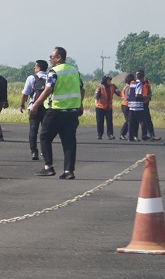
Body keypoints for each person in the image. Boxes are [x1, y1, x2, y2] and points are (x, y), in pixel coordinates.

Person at [32, 46, 83, 179]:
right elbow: (81, 89)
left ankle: (48, 166)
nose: (50, 59)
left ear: (59, 58)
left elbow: (48, 89)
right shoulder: (74, 71)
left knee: (44, 137)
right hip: (72, 111)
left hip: (56, 110)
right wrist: (80, 104)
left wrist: (36, 105)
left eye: (52, 57)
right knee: (69, 141)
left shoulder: (54, 71)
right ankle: (68, 171)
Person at [20, 59, 50, 160]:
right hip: (47, 107)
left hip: (33, 107)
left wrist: (21, 105)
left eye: (35, 67)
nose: (34, 68)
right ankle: (44, 150)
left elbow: (25, 93)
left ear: (38, 68)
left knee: (33, 129)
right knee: (45, 130)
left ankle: (34, 152)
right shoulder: (50, 77)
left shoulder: (31, 78)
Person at [125, 71, 148, 141]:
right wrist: (145, 97)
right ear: (142, 77)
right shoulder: (139, 84)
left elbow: (129, 94)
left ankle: (130, 137)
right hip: (138, 106)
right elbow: (138, 95)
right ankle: (144, 136)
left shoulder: (132, 84)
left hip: (131, 105)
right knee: (143, 121)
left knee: (131, 122)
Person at [93, 74, 117, 140]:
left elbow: (119, 92)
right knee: (100, 121)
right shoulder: (100, 87)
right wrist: (96, 104)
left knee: (109, 121)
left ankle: (110, 134)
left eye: (110, 80)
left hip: (108, 107)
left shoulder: (112, 86)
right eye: (108, 80)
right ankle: (99, 135)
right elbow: (96, 97)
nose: (109, 81)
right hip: (100, 107)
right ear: (104, 81)